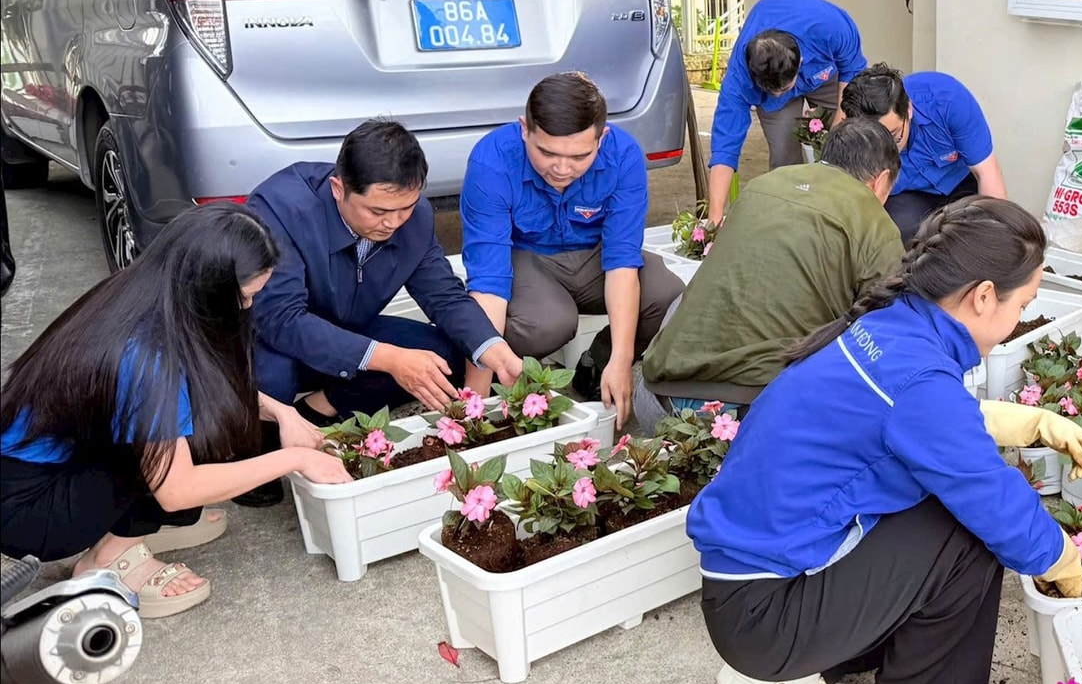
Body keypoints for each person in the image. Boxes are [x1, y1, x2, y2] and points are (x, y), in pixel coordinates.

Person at [688, 198, 1082, 684]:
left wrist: (1032, 423)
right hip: (767, 619)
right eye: (1023, 304)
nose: (1020, 318)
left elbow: (915, 419)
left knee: (938, 507)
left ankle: (792, 674)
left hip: (744, 593)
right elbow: (988, 495)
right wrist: (1061, 556)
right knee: (968, 532)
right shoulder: (916, 379)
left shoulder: (889, 327)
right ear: (984, 295)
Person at [0, 204, 352, 617]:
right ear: (208, 289)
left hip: (36, 472)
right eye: (246, 296)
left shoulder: (137, 297)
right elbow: (177, 489)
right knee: (203, 434)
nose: (248, 307)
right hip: (30, 509)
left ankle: (127, 528)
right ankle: (110, 557)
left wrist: (283, 413)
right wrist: (296, 459)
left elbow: (206, 387)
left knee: (202, 412)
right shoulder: (147, 357)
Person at [240, 120, 525, 505]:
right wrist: (390, 359)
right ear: (338, 188)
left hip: (346, 331)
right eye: (378, 211)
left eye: (406, 207)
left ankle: (321, 408)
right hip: (269, 338)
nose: (393, 222)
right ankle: (257, 455)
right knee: (270, 374)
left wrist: (493, 348)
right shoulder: (280, 209)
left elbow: (444, 295)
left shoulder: (414, 219)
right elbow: (281, 319)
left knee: (443, 357)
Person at [461, 73, 682, 427]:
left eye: (580, 156)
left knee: (666, 295)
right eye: (546, 152)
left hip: (595, 257)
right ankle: (510, 372)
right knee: (547, 323)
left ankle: (598, 365)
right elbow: (489, 282)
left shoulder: (624, 156)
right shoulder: (492, 161)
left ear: (601, 138)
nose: (562, 169)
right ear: (525, 130)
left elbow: (622, 262)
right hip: (528, 261)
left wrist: (622, 360)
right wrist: (472, 407)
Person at [641, 117, 904, 408]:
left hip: (656, 397)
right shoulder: (873, 219)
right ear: (881, 180)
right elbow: (890, 332)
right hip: (752, 411)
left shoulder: (763, 184)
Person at [706, 0, 867, 222]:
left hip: (824, 72)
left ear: (799, 62)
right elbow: (725, 148)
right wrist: (714, 217)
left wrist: (839, 129)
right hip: (778, 96)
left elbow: (852, 70)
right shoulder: (738, 81)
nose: (779, 93)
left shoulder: (832, 28)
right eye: (772, 90)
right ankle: (791, 222)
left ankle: (848, 214)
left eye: (783, 89)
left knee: (850, 137)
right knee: (784, 157)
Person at [838, 63, 1006, 239]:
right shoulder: (854, 143)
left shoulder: (947, 99)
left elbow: (987, 173)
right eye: (876, 141)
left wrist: (998, 240)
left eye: (894, 135)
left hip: (962, 181)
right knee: (893, 232)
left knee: (978, 229)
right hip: (911, 197)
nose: (887, 147)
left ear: (908, 109)